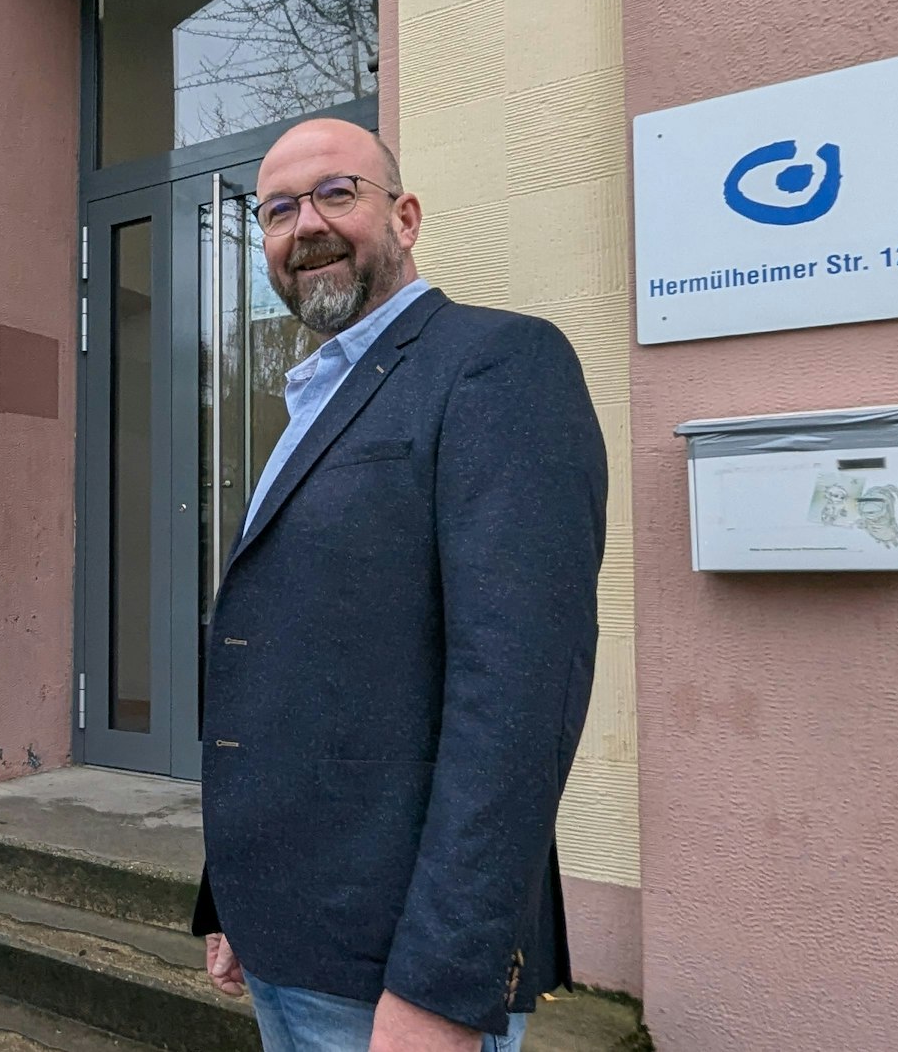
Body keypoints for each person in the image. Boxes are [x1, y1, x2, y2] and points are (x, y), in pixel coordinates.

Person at [192, 118, 607, 1052]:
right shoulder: (308, 401)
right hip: (283, 939)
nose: (307, 226)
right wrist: (231, 897)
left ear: (406, 215)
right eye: (279, 209)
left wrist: (446, 987)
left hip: (397, 976)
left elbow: (516, 701)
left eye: (337, 193)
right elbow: (285, 663)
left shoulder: (498, 364)